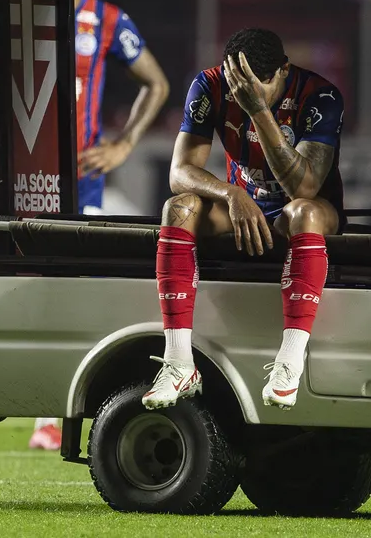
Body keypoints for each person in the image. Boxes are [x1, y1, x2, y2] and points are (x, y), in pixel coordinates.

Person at [0, 0, 170, 450]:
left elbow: (156, 83)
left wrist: (124, 143)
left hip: (80, 178)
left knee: (61, 289)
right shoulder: (12, 15)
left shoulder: (109, 20)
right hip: (17, 177)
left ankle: (48, 418)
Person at [142, 28, 344, 411]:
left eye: (253, 87)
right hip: (243, 209)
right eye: (237, 85)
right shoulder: (209, 85)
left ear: (282, 71)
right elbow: (180, 171)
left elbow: (305, 186)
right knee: (178, 208)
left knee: (303, 211)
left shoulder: (321, 96)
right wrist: (230, 193)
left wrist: (258, 111)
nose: (241, 92)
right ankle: (179, 362)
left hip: (301, 214)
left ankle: (288, 363)